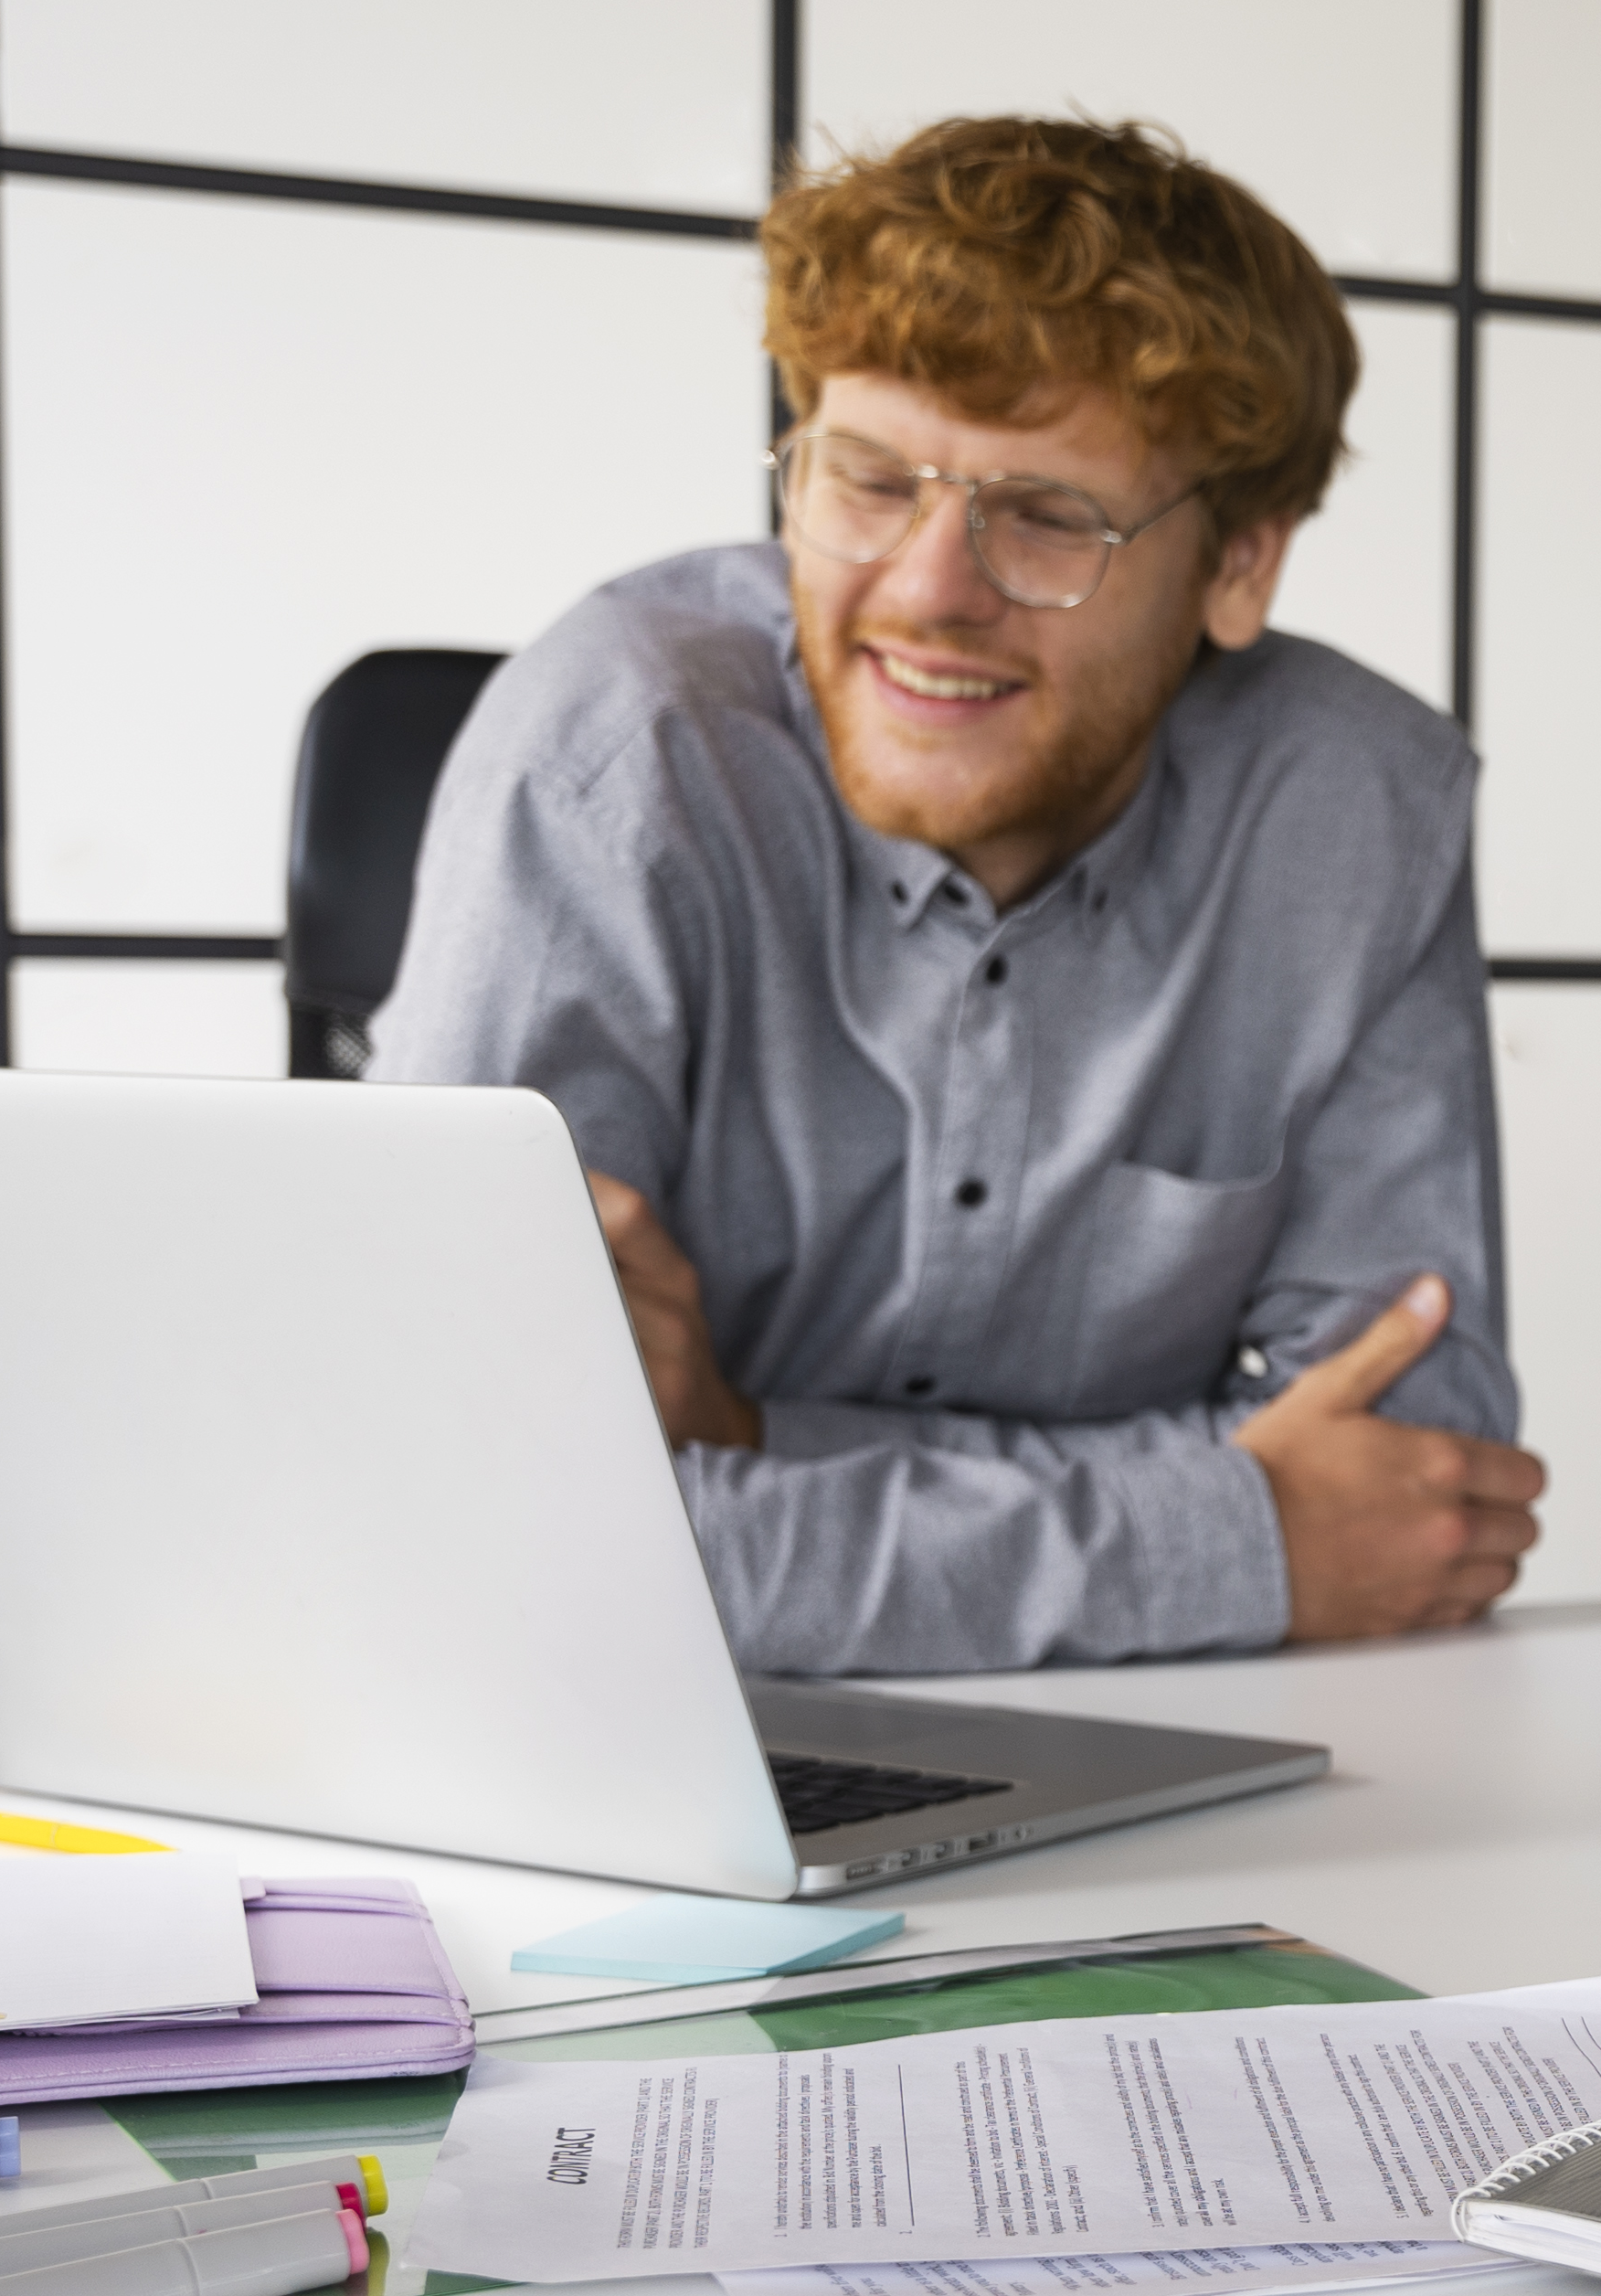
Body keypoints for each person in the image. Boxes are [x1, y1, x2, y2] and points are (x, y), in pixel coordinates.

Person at [370, 116, 1540, 1673]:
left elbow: (1415, 1501)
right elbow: (450, 1532)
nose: (927, 589)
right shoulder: (613, 752)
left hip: (1198, 1749)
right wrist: (1229, 1534)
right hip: (633, 1756)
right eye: (864, 481)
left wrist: (740, 1443)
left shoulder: (1360, 808)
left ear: (1242, 563)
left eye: (1048, 516)